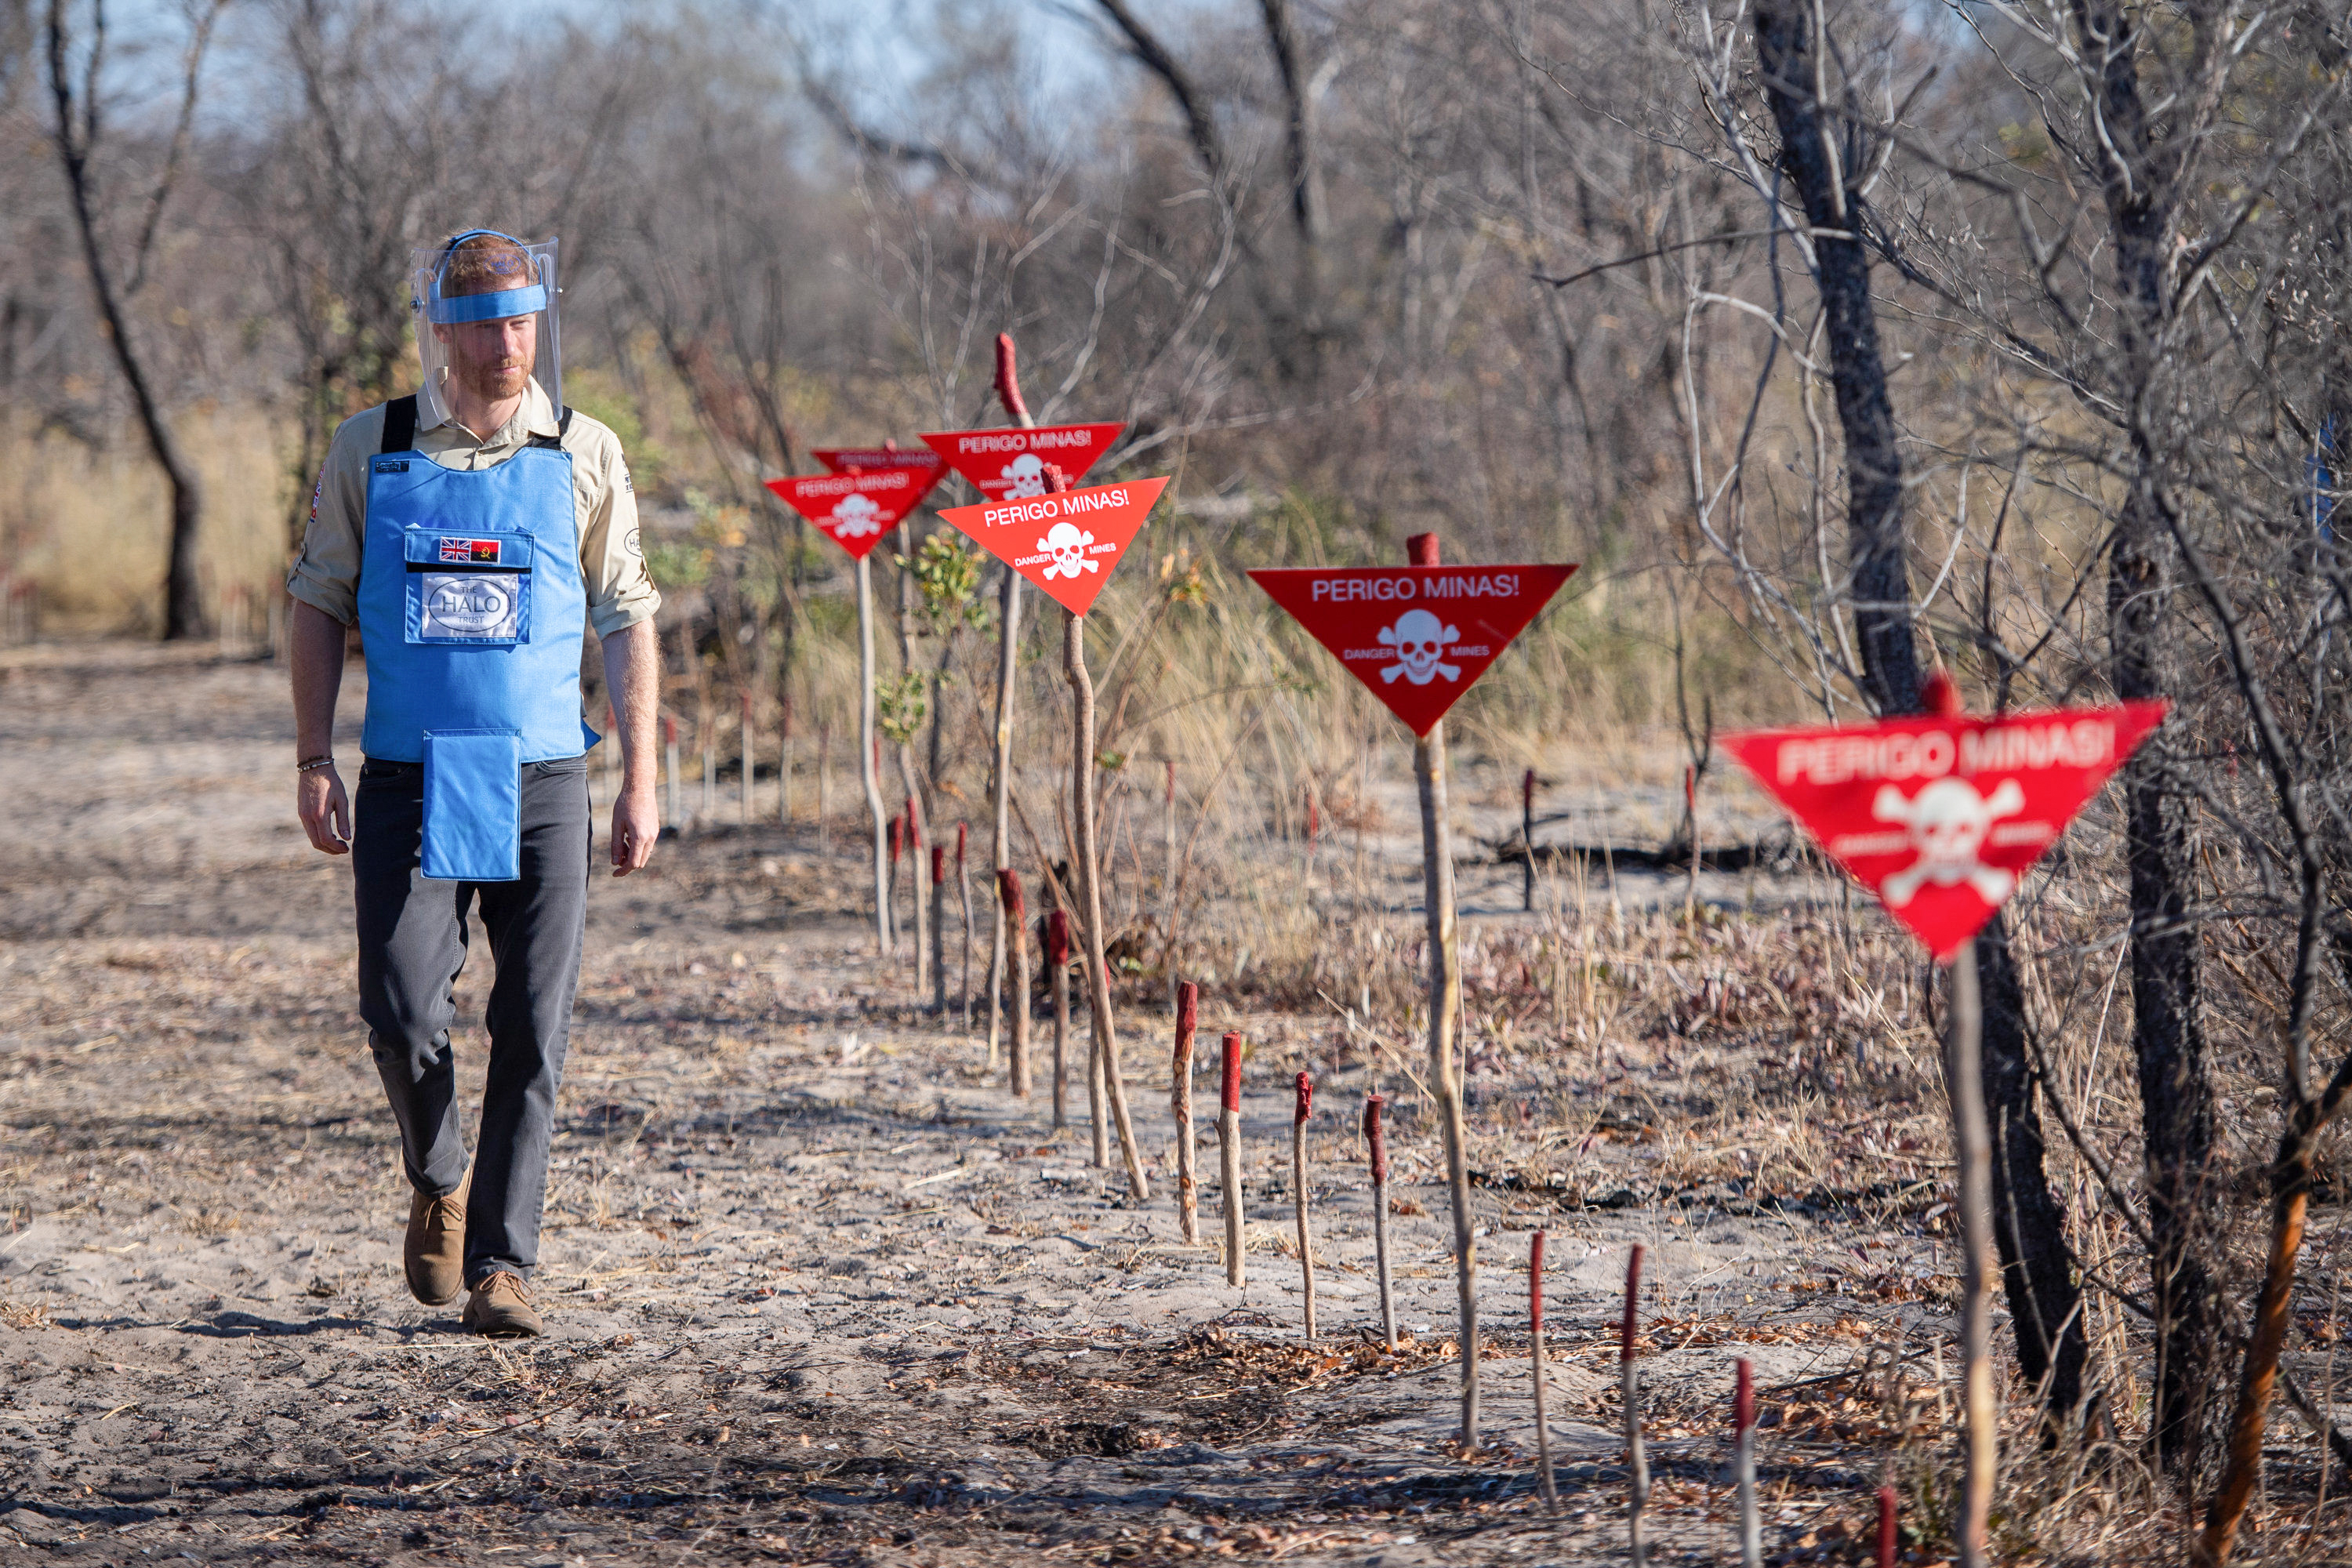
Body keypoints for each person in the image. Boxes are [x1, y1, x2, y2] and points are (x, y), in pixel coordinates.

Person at [285, 230, 662, 1338]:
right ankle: (439, 1173)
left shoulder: (585, 450)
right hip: (408, 774)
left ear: (541, 319)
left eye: (521, 320)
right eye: (482, 322)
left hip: (546, 774)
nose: (504, 344)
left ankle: (504, 1262)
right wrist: (314, 755)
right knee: (400, 1009)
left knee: (534, 1024)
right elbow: (316, 599)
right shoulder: (374, 446)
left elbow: (627, 612)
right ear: (438, 328)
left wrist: (641, 775)